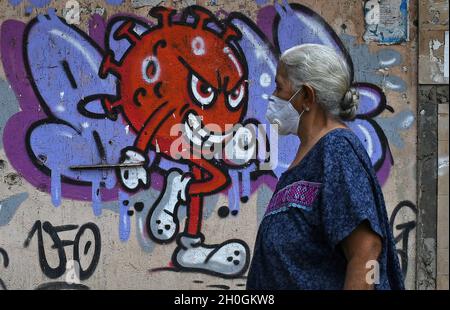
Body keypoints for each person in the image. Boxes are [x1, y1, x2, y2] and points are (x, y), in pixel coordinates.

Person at [246, 44, 404, 290]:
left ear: (307, 96)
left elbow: (366, 251)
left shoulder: (337, 151)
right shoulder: (308, 156)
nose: (273, 97)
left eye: (279, 87)